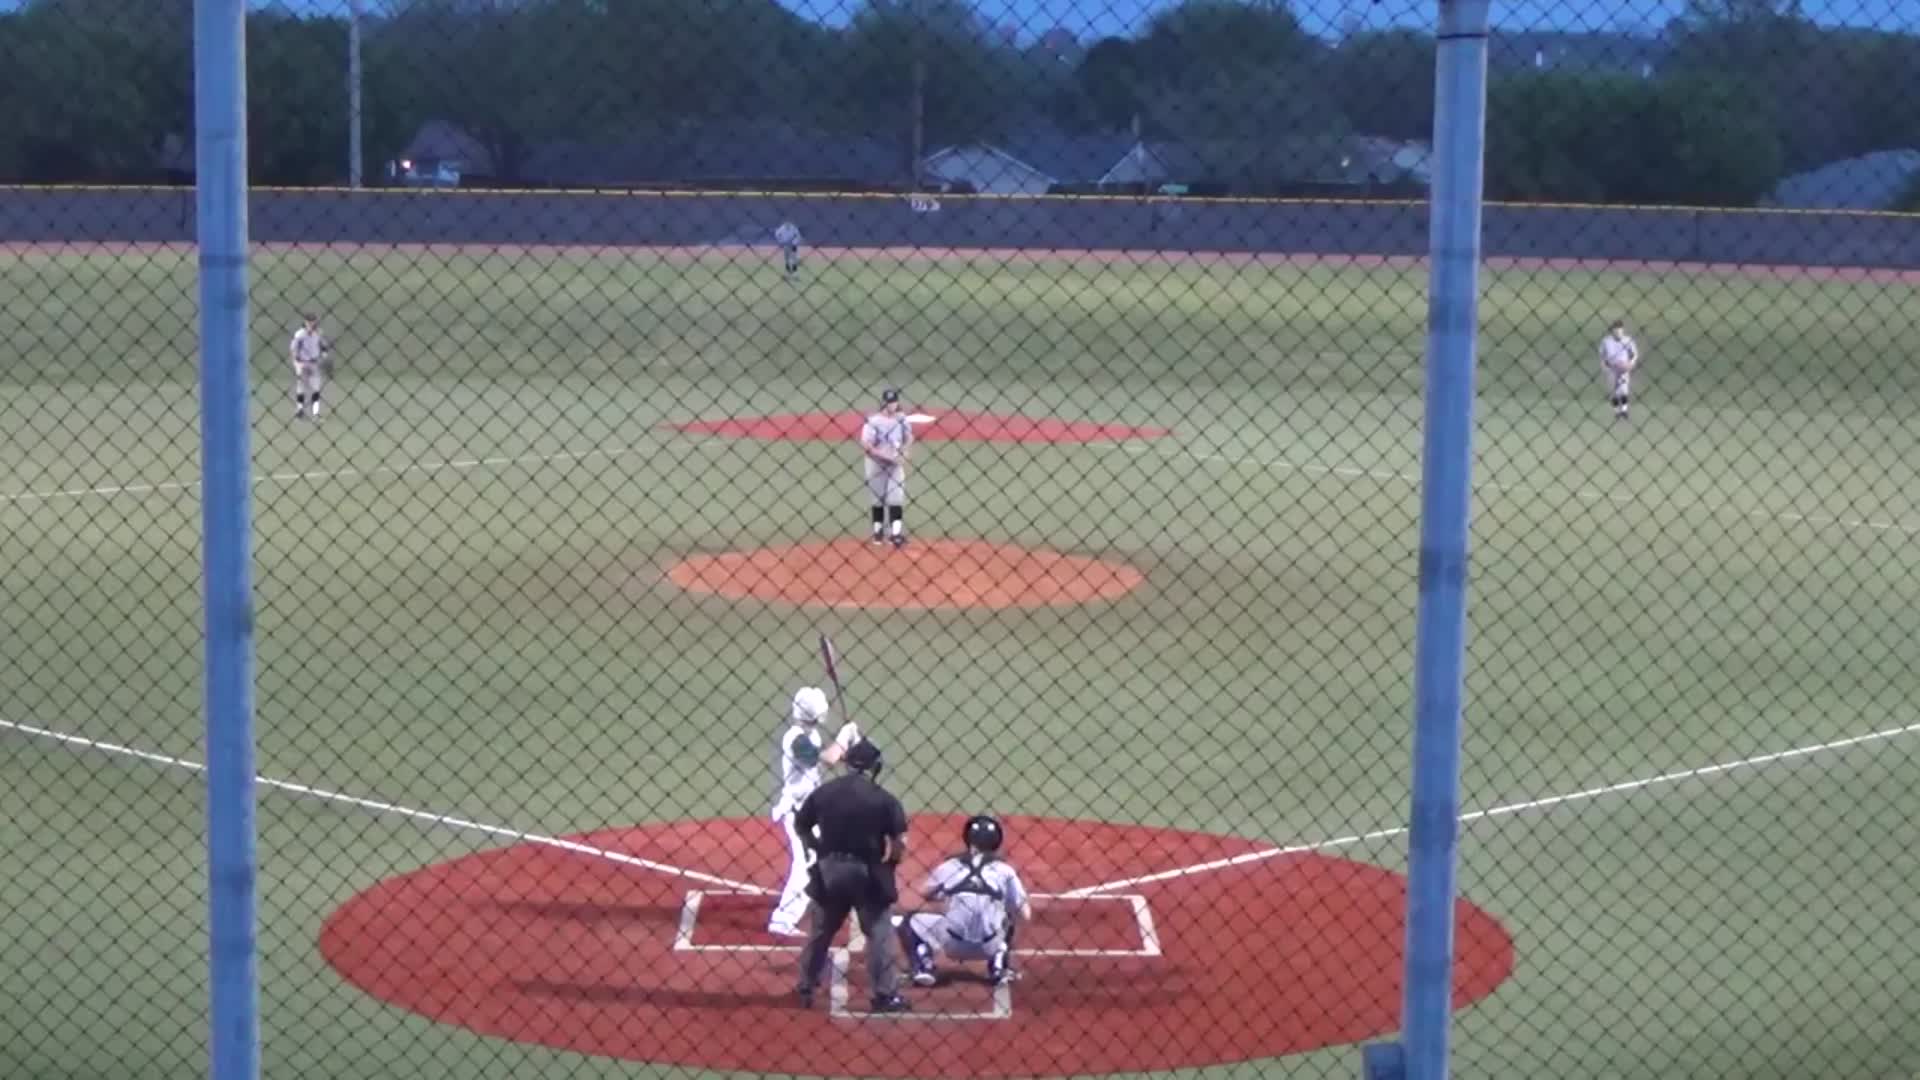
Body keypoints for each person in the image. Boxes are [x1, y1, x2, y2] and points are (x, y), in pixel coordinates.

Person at [792, 738, 910, 1013]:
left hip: (830, 870)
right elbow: (900, 843)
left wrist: (818, 850)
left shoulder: (824, 792)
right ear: (875, 767)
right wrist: (889, 866)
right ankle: (884, 995)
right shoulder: (884, 799)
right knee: (879, 932)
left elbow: (802, 826)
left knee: (820, 932)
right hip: (866, 872)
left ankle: (806, 986)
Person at [767, 686, 860, 937]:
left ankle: (826, 894)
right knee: (805, 863)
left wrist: (854, 748)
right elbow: (828, 758)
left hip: (813, 809)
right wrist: (843, 736)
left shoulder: (811, 735)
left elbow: (830, 757)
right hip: (798, 812)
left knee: (829, 851)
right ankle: (782, 919)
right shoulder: (795, 739)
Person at [895, 815, 1030, 987]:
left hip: (951, 944)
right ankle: (998, 966)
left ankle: (923, 966)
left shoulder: (951, 865)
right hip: (988, 946)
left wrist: (949, 894)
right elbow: (1025, 914)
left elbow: (924, 892)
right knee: (1008, 918)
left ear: (968, 839)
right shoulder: (1004, 870)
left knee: (908, 920)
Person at [860, 389, 913, 548]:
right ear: (884, 403)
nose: (893, 405)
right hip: (876, 464)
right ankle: (878, 533)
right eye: (890, 402)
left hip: (895, 465)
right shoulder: (873, 421)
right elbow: (866, 445)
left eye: (894, 401)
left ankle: (895, 535)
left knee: (896, 497)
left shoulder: (901, 419)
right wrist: (884, 455)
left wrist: (905, 450)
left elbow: (909, 436)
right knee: (878, 499)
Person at [289, 313, 331, 421]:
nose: (312, 323)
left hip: (314, 364)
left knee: (316, 389)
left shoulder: (319, 333)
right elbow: (293, 349)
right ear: (306, 322)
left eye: (314, 321)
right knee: (301, 388)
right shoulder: (300, 334)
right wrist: (297, 363)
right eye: (310, 321)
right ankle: (299, 411)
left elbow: (324, 346)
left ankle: (315, 413)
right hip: (302, 363)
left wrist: (324, 355)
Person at [1600, 319, 1639, 421]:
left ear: (1623, 330)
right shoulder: (1606, 341)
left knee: (1624, 391)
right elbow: (1602, 356)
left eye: (1620, 330)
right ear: (1612, 330)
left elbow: (1634, 354)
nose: (1618, 332)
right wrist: (1604, 366)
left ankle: (1624, 410)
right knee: (1614, 392)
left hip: (1624, 369)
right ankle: (1617, 411)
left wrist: (1631, 363)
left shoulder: (1628, 340)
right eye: (1616, 330)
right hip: (1612, 369)